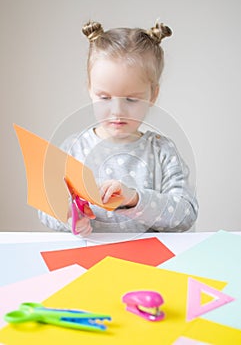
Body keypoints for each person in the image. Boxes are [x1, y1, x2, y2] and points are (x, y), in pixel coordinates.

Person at [39, 20, 198, 236]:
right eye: (104, 97)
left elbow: (185, 214)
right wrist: (68, 214)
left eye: (131, 100)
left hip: (148, 262)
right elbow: (45, 206)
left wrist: (134, 198)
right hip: (87, 257)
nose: (117, 110)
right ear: (90, 89)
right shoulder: (73, 148)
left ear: (153, 95)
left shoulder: (162, 152)